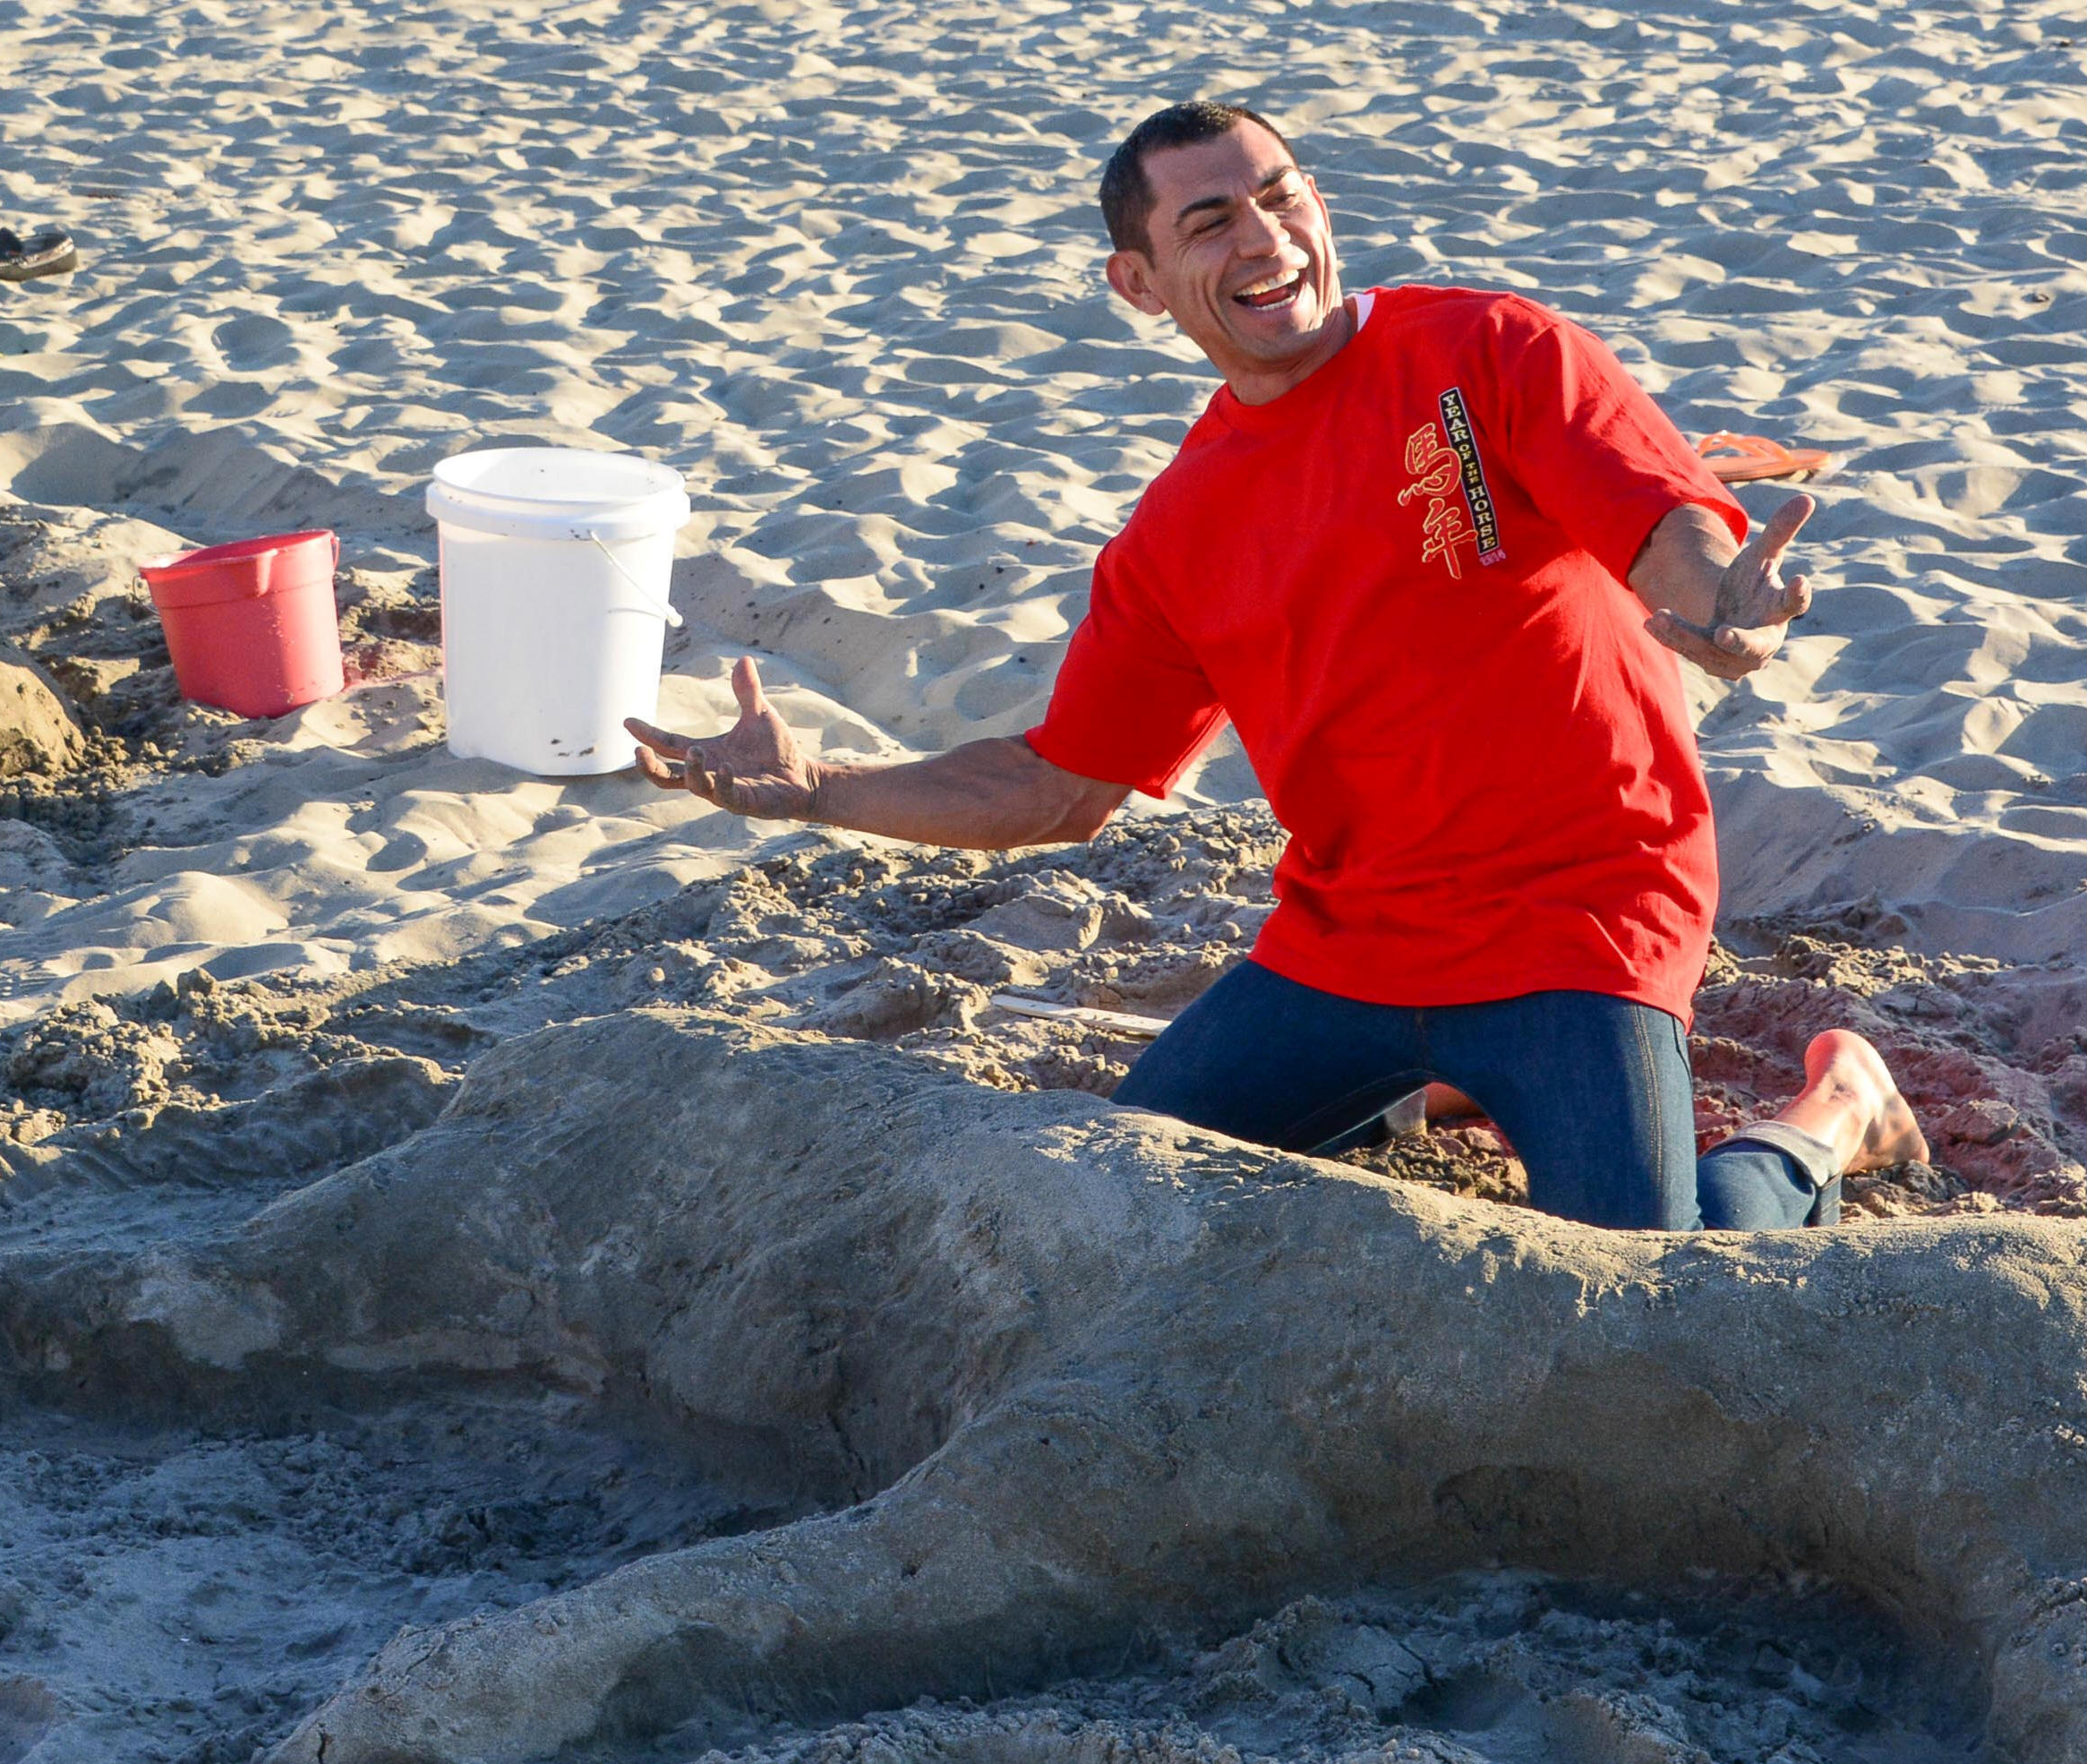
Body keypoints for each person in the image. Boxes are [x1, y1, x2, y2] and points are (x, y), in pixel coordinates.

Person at [626, 99, 1929, 1230]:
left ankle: (1831, 1115)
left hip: (1579, 919)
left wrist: (1719, 606)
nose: (1264, 239)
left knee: (1646, 1288)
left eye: (1282, 198)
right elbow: (1056, 785)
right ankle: (1444, 1084)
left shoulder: (1489, 351)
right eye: (1209, 225)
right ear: (1137, 283)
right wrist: (820, 786)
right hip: (1349, 947)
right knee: (1127, 1194)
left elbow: (1665, 528)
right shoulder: (1175, 534)